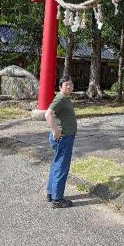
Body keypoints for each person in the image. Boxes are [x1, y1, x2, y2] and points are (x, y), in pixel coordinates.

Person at [45, 75, 77, 208]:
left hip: (65, 137)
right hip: (63, 138)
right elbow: (48, 114)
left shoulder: (65, 98)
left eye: (70, 84)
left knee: (56, 164)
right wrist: (55, 130)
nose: (69, 87)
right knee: (61, 166)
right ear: (60, 87)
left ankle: (51, 193)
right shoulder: (60, 98)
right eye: (66, 85)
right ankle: (57, 199)